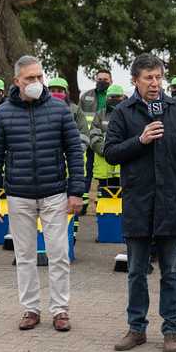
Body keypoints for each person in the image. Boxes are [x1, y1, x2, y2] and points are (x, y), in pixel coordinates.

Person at [104, 53, 176, 352]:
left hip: (169, 203)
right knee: (137, 271)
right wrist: (141, 140)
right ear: (135, 80)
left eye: (158, 77)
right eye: (148, 78)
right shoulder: (123, 112)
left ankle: (171, 330)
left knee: (171, 272)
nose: (154, 83)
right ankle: (136, 329)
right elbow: (111, 152)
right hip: (137, 201)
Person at [0, 55, 85, 331]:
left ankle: (60, 310)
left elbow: (75, 151)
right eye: (30, 78)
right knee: (25, 255)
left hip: (55, 193)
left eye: (40, 77)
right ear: (17, 81)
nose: (37, 82)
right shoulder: (3, 113)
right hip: (19, 195)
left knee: (59, 253)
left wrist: (77, 191)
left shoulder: (60, 110)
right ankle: (30, 309)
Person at [49, 77, 90, 242]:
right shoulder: (39, 109)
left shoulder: (75, 110)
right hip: (49, 168)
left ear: (66, 93)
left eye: (59, 90)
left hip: (71, 166)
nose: (56, 93)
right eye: (52, 90)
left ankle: (70, 237)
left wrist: (71, 152)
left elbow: (84, 135)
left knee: (71, 203)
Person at [79, 69, 114, 214]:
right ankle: (83, 206)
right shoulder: (86, 96)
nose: (102, 82)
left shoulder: (114, 96)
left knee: (103, 175)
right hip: (88, 140)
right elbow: (80, 118)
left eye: (105, 79)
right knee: (86, 173)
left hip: (103, 142)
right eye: (100, 79)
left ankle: (102, 206)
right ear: (95, 79)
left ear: (111, 81)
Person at [89, 84, 125, 196]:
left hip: (123, 168)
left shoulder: (129, 114)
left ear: (123, 98)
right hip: (104, 166)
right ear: (106, 98)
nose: (114, 100)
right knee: (104, 200)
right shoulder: (100, 114)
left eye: (118, 97)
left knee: (123, 202)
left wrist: (121, 151)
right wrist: (106, 150)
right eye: (111, 97)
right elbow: (93, 135)